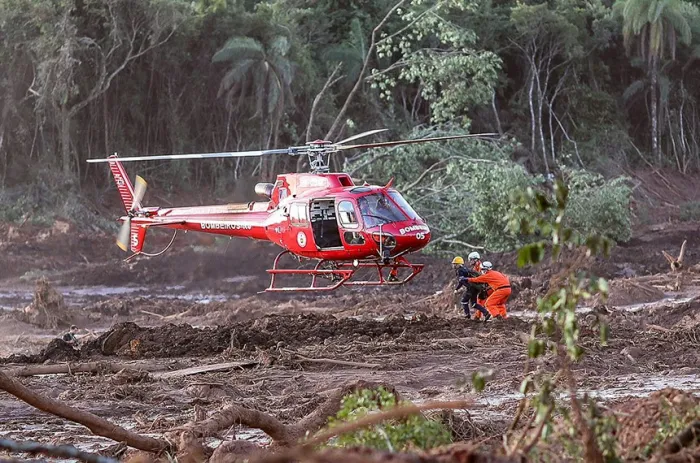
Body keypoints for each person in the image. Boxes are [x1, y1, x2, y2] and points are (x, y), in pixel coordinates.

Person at [452, 256, 490, 320]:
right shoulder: (465, 269)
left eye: (454, 264)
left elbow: (461, 281)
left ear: (458, 264)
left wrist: (457, 289)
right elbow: (462, 281)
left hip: (471, 288)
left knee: (464, 301)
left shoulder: (460, 271)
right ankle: (486, 313)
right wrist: (457, 288)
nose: (453, 265)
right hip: (475, 288)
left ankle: (467, 316)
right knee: (474, 304)